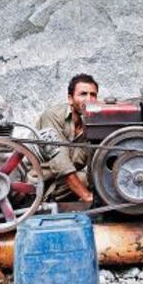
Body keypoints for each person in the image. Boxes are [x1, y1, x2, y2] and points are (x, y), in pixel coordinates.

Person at [36, 74, 99, 203]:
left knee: (87, 178)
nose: (89, 99)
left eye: (93, 95)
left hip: (62, 186)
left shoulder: (93, 125)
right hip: (37, 183)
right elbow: (61, 162)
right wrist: (87, 196)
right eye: (83, 94)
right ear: (70, 99)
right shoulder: (52, 116)